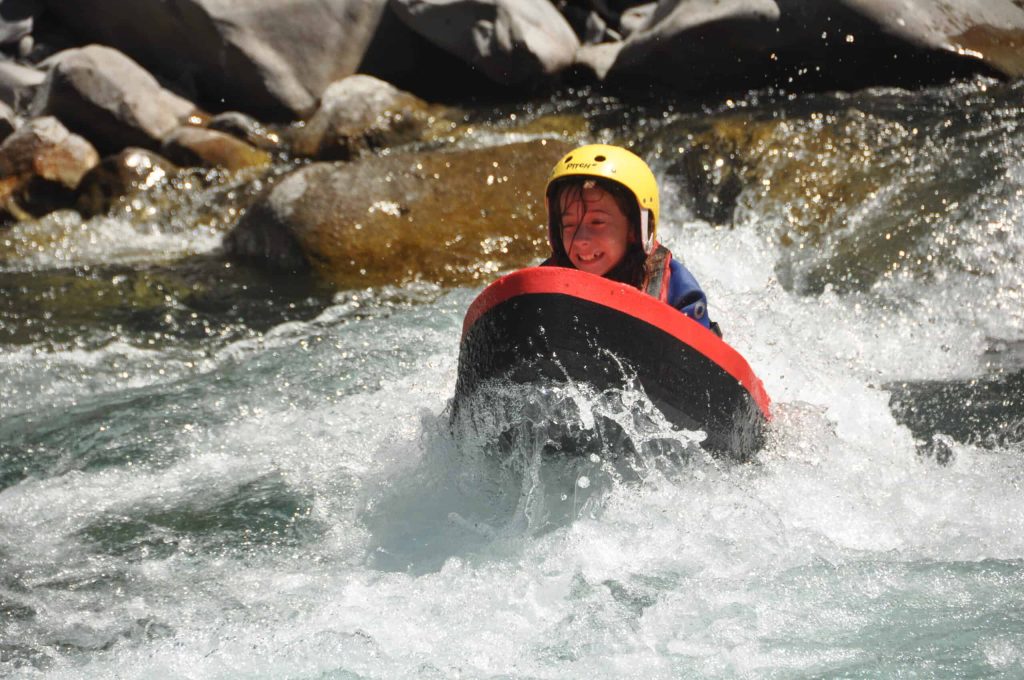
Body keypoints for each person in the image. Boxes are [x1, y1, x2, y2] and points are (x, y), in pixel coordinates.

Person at [543, 143, 722, 336]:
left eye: (597, 222)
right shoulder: (544, 284)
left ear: (635, 229)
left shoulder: (677, 290)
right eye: (569, 225)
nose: (580, 239)